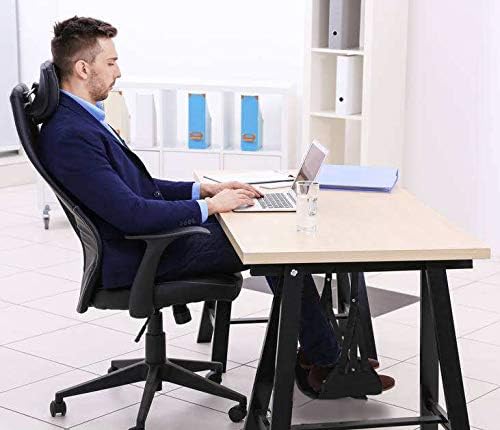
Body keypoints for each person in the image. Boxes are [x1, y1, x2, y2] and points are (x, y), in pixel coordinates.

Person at [38, 16, 394, 393]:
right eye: (110, 63)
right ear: (82, 68)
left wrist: (205, 191)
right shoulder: (71, 135)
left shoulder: (80, 119)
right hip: (141, 254)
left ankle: (319, 355)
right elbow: (132, 214)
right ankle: (326, 365)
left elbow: (140, 189)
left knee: (264, 233)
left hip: (147, 243)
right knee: (275, 248)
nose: (119, 72)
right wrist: (211, 207)